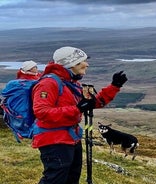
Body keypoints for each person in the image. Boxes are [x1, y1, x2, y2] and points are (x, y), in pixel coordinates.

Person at [31, 46, 128, 184]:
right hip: (54, 140)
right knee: (55, 180)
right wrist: (76, 109)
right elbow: (41, 112)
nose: (86, 64)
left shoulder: (71, 83)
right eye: (82, 61)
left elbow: (92, 103)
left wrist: (114, 86)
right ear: (72, 64)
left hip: (71, 138)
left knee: (72, 178)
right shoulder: (48, 83)